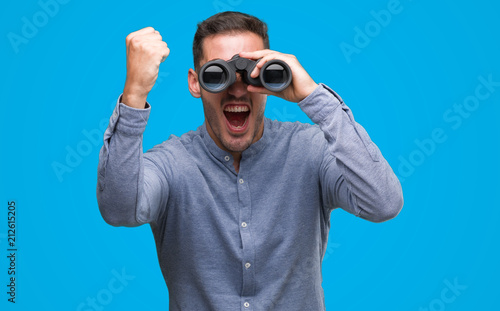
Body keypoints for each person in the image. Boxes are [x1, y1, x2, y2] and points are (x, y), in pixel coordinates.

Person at [96, 11, 403, 310]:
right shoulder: (171, 164)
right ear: (195, 83)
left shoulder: (310, 151)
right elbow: (119, 209)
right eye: (217, 74)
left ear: (272, 78)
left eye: (252, 72)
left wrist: (312, 95)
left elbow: (383, 203)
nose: (237, 89)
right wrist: (134, 93)